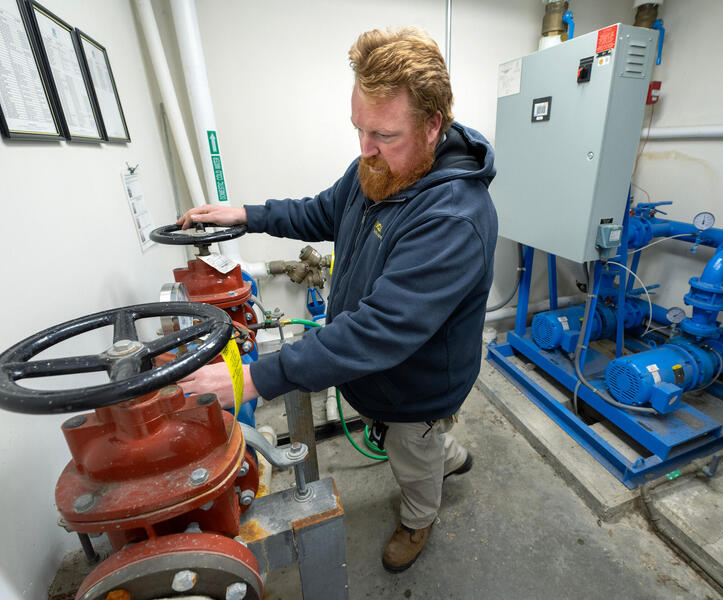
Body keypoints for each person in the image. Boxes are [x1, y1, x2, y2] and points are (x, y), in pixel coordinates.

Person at [177, 26, 497, 572]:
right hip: (381, 377)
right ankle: (452, 453)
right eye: (359, 129)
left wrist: (250, 379)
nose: (365, 150)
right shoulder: (378, 167)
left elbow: (376, 331)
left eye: (384, 136)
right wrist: (247, 214)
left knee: (411, 453)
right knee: (426, 444)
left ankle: (420, 518)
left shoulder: (452, 219)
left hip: (418, 386)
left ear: (433, 126)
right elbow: (322, 210)